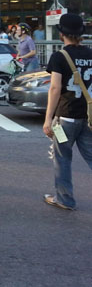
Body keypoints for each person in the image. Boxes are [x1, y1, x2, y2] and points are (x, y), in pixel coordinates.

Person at [42, 13, 92, 211]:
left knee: (62, 158)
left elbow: (55, 89)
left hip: (66, 118)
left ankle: (65, 199)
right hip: (88, 118)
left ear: (61, 33)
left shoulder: (59, 56)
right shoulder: (90, 54)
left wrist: (47, 119)